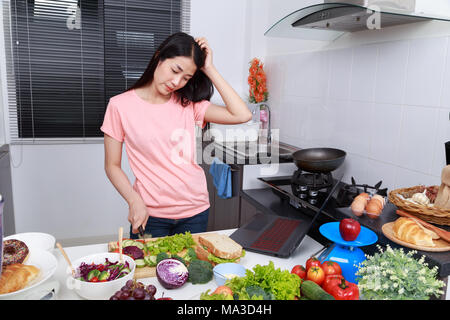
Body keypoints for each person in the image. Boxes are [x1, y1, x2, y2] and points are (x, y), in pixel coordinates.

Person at [101, 32, 251, 239]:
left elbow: (242, 114)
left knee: (188, 271)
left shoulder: (189, 104)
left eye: (186, 77)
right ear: (159, 56)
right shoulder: (119, 106)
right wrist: (134, 200)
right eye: (175, 70)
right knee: (150, 271)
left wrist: (209, 68)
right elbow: (112, 165)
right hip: (150, 213)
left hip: (195, 211)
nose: (177, 82)